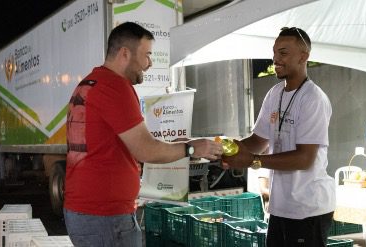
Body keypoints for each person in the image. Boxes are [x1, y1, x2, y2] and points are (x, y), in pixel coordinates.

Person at [64, 22, 223, 247]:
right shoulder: (115, 87)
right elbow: (146, 149)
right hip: (105, 218)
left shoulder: (90, 83)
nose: (149, 64)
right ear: (125, 54)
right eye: (147, 55)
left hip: (87, 213)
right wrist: (192, 147)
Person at [222, 27, 335, 246]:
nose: (275, 59)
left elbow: (305, 159)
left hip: (308, 208)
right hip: (280, 206)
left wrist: (253, 161)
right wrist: (226, 149)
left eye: (283, 53)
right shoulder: (275, 93)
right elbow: (258, 140)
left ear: (303, 57)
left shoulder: (313, 98)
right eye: (274, 53)